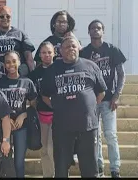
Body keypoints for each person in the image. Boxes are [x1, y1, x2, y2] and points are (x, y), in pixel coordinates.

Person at [41, 36, 107, 178]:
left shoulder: (91, 66)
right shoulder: (52, 70)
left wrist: (89, 106)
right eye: (67, 47)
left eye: (73, 46)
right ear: (60, 51)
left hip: (87, 126)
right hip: (62, 128)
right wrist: (57, 106)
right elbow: (45, 95)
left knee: (90, 167)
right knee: (61, 168)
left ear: (79, 48)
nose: (71, 49)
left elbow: (101, 92)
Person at [80, 19, 126, 178]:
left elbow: (121, 74)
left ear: (103, 31)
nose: (95, 30)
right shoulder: (84, 53)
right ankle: (98, 169)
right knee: (95, 138)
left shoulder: (112, 50)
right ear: (89, 32)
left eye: (98, 28)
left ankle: (115, 169)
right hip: (91, 102)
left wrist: (117, 95)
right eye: (92, 28)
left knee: (111, 135)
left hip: (108, 100)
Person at [0, 51, 37, 177]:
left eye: (14, 61)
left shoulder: (27, 82)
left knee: (19, 162)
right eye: (7, 62)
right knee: (3, 161)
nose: (11, 64)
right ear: (4, 64)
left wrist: (24, 115)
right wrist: (6, 120)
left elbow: (34, 104)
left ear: (19, 62)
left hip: (20, 127)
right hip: (3, 127)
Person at [0, 6, 35, 77]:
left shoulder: (20, 34)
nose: (5, 18)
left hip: (17, 72)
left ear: (11, 18)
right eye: (2, 16)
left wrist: (33, 75)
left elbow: (29, 57)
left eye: (8, 16)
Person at [27, 41, 55, 177]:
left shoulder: (59, 69)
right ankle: (47, 175)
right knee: (43, 150)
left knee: (52, 149)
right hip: (41, 116)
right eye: (44, 52)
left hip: (57, 115)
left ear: (54, 53)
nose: (47, 55)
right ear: (39, 54)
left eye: (49, 52)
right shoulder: (34, 74)